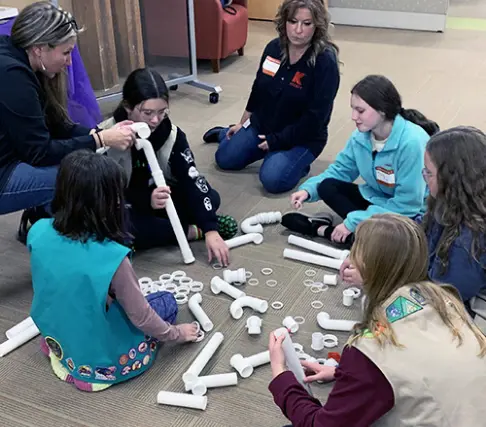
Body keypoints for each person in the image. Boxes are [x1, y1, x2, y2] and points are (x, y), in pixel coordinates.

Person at [268, 214, 486, 426]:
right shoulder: (442, 298)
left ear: (372, 266)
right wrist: (344, 374)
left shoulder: (370, 349)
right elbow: (420, 365)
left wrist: (282, 375)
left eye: (355, 253)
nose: (349, 260)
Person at [28, 150, 199, 392]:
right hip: (100, 353)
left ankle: (61, 353)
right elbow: (142, 317)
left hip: (56, 330)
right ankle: (94, 372)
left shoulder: (38, 229)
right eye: (117, 196)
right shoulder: (112, 258)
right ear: (105, 204)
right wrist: (176, 334)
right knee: (165, 301)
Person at [0, 1, 134, 242]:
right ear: (39, 48)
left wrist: (98, 133)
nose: (69, 62)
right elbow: (39, 152)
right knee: (75, 180)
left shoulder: (16, 57)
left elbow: (55, 125)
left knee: (77, 169)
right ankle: (80, 254)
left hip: (10, 157)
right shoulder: (13, 78)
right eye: (65, 52)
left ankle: (56, 237)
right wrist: (99, 139)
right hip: (4, 170)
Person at [341, 127, 486, 320]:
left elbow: (441, 300)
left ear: (452, 179)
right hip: (440, 288)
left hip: (459, 311)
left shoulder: (469, 240)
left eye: (429, 173)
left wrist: (376, 278)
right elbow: (416, 232)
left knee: (383, 318)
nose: (424, 180)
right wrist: (370, 252)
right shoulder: (448, 202)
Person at [281, 74, 439, 249]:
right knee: (327, 186)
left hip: (408, 214)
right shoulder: (360, 137)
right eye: (352, 109)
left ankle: (324, 230)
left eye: (360, 110)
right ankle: (360, 235)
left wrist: (353, 221)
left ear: (382, 110)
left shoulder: (412, 143)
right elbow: (340, 171)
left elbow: (407, 205)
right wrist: (308, 190)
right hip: (378, 200)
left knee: (393, 246)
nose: (353, 116)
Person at [99, 68, 237, 265]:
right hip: (126, 203)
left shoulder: (171, 134)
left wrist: (211, 230)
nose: (155, 120)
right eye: (147, 113)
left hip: (162, 199)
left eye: (162, 112)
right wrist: (146, 200)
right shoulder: (107, 135)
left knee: (210, 198)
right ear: (128, 107)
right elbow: (101, 194)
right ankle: (190, 231)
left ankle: (189, 228)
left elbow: (192, 179)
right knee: (116, 225)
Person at [203, 0, 340, 194]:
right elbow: (259, 89)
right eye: (293, 21)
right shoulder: (274, 48)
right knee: (224, 159)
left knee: (273, 179)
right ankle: (226, 132)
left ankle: (299, 163)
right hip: (263, 124)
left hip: (302, 136)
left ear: (317, 26)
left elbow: (316, 119)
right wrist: (242, 124)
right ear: (284, 21)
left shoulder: (325, 62)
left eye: (306, 23)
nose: (298, 30)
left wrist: (276, 142)